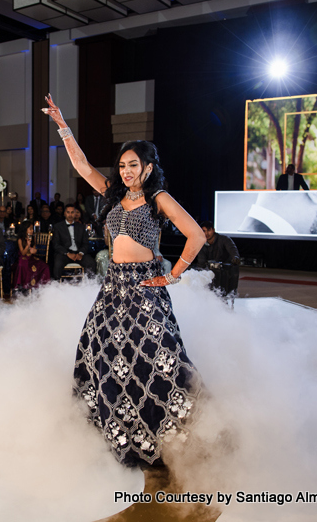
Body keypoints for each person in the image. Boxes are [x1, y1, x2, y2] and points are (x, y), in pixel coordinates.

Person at [45, 94, 206, 466]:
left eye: (133, 165)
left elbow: (195, 235)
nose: (126, 172)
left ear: (148, 167)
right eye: (122, 166)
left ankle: (171, 436)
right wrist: (62, 125)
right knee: (101, 353)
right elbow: (83, 166)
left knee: (156, 359)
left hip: (145, 288)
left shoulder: (158, 198)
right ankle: (116, 429)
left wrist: (173, 276)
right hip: (112, 286)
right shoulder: (113, 196)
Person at [51, 204, 96, 279]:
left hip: (78, 253)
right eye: (68, 212)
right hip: (64, 254)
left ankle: (90, 285)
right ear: (64, 213)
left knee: (91, 263)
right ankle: (57, 286)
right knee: (57, 264)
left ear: (75, 213)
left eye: (72, 212)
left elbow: (85, 243)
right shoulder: (58, 226)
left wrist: (81, 253)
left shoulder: (81, 227)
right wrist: (67, 253)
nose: (70, 214)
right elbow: (56, 244)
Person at [14, 221, 50, 291]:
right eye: (30, 229)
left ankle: (43, 287)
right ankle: (24, 287)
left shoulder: (33, 238)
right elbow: (23, 253)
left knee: (45, 266)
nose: (32, 230)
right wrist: (28, 245)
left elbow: (34, 250)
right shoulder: (20, 239)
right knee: (23, 264)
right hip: (23, 257)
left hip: (31, 258)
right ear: (25, 229)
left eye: (32, 229)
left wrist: (34, 251)